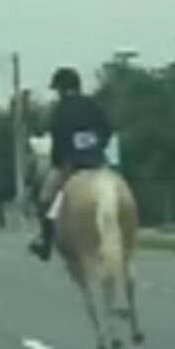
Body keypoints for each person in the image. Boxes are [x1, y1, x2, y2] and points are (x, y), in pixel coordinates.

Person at [28, 67, 114, 261]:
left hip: (71, 165)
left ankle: (45, 241)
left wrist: (58, 163)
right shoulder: (93, 105)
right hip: (97, 162)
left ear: (61, 88)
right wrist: (98, 148)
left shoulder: (60, 110)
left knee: (46, 200)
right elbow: (107, 130)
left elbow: (58, 139)